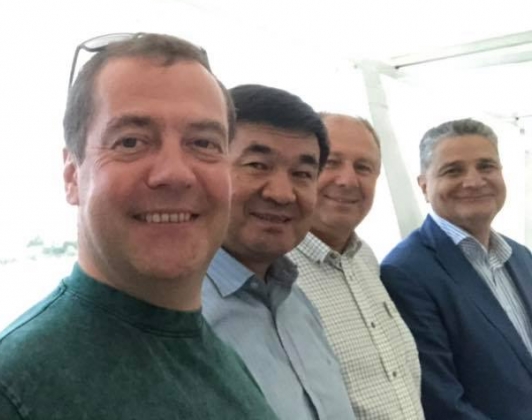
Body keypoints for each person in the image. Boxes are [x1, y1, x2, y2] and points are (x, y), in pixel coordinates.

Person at [0, 34, 277, 419]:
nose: (175, 173)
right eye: (131, 142)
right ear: (72, 175)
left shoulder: (220, 357)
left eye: (204, 143)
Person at [202, 84, 356, 420]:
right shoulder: (176, 316)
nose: (283, 194)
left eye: (302, 174)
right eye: (258, 165)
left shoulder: (296, 303)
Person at [382, 118, 532, 419]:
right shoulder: (405, 272)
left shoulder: (520, 256)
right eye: (453, 171)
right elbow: (442, 402)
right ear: (424, 186)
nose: (474, 181)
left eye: (486, 166)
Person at [289, 114, 423, 420]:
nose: (348, 180)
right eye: (331, 162)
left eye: (363, 167)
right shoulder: (274, 273)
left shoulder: (365, 258)